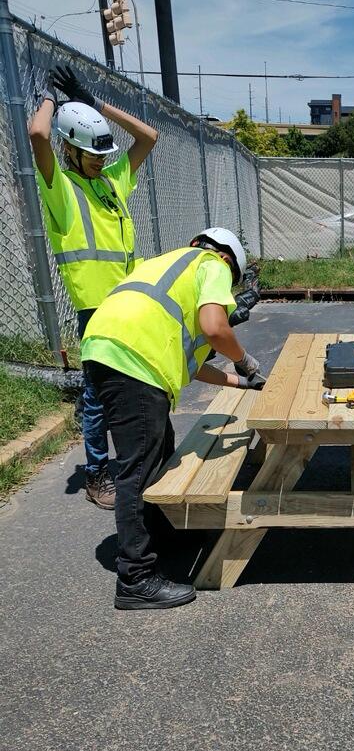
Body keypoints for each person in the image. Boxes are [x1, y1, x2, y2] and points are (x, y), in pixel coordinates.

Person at [80, 228, 265, 611]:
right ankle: (136, 578)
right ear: (230, 262)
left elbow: (193, 366)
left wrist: (241, 383)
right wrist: (246, 361)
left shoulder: (166, 264)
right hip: (135, 361)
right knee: (138, 469)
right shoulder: (213, 265)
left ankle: (161, 537)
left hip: (108, 348)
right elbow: (216, 328)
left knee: (158, 452)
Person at [28, 64, 158, 510]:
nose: (102, 161)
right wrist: (50, 97)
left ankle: (134, 459)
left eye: (104, 154)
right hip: (95, 309)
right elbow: (38, 135)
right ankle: (97, 472)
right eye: (93, 155)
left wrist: (92, 101)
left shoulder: (111, 179)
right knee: (98, 393)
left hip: (129, 303)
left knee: (136, 384)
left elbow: (148, 137)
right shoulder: (60, 187)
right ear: (71, 151)